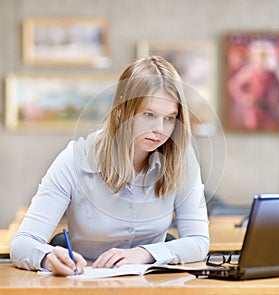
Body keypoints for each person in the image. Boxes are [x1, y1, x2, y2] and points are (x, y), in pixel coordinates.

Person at [10, 56, 209, 276]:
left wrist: (144, 253)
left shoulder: (181, 158)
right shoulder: (75, 159)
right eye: (149, 115)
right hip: (86, 282)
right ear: (122, 109)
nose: (159, 129)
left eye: (170, 118)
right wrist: (47, 258)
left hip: (150, 284)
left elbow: (199, 242)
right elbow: (22, 244)